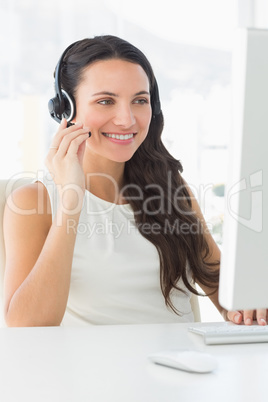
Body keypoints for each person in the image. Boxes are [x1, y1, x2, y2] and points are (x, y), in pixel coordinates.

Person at [3, 35, 267, 327]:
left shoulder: (171, 190)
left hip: (185, 367)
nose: (127, 119)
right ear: (65, 109)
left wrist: (252, 304)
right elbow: (26, 329)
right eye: (106, 101)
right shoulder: (31, 203)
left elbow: (231, 300)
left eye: (139, 100)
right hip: (93, 372)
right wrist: (70, 199)